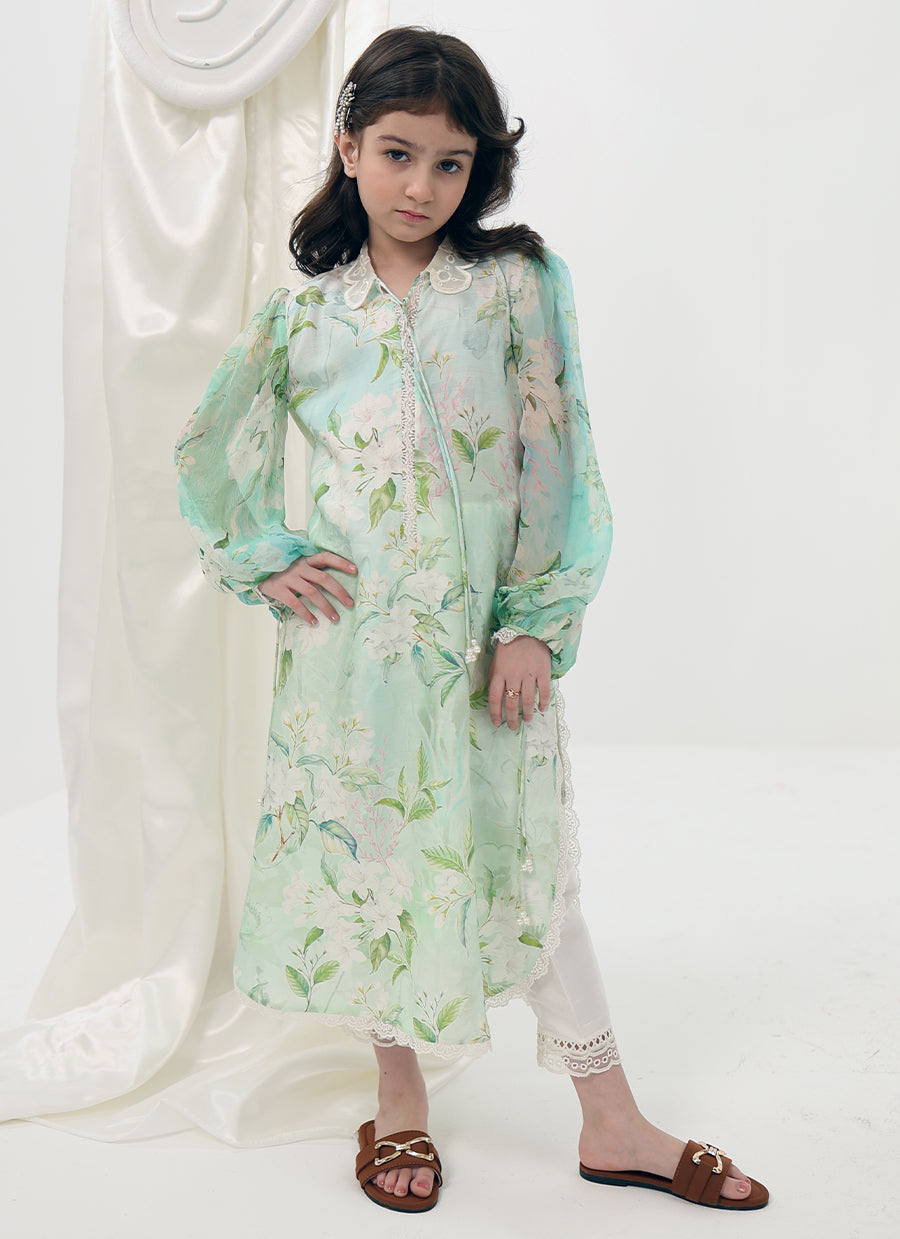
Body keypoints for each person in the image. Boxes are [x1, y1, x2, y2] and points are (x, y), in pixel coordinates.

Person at [175, 26, 768, 1216]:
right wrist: (264, 558)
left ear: (479, 169)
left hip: (487, 647)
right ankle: (398, 1097)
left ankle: (612, 1119)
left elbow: (558, 456)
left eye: (452, 163)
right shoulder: (307, 315)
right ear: (348, 147)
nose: (421, 186)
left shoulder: (515, 286)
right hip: (354, 657)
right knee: (380, 864)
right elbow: (208, 450)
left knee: (531, 869)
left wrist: (535, 620)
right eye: (398, 153)